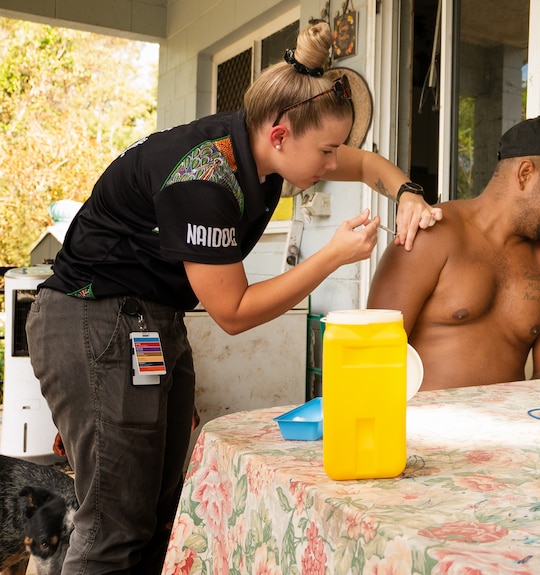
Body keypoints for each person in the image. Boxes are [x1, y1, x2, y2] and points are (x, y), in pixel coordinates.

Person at [25, 21, 441, 575]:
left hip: (150, 321)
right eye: (326, 150)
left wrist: (408, 194)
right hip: (92, 320)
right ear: (279, 134)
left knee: (161, 514)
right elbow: (233, 313)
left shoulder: (264, 152)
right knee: (113, 526)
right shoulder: (204, 176)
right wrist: (333, 256)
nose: (331, 163)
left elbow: (365, 165)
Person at [367, 116, 540, 390]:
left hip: (515, 427)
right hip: (422, 427)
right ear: (525, 174)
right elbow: (372, 353)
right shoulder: (431, 236)